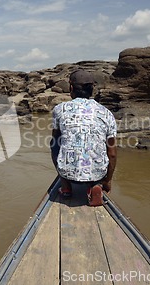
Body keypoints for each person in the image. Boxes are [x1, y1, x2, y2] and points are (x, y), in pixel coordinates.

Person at [50, 70, 117, 206]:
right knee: (104, 144)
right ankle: (95, 185)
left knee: (55, 142)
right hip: (98, 172)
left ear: (71, 88)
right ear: (92, 89)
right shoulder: (106, 113)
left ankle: (66, 187)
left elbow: (55, 136)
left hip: (67, 172)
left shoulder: (59, 109)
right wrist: (108, 181)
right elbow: (112, 153)